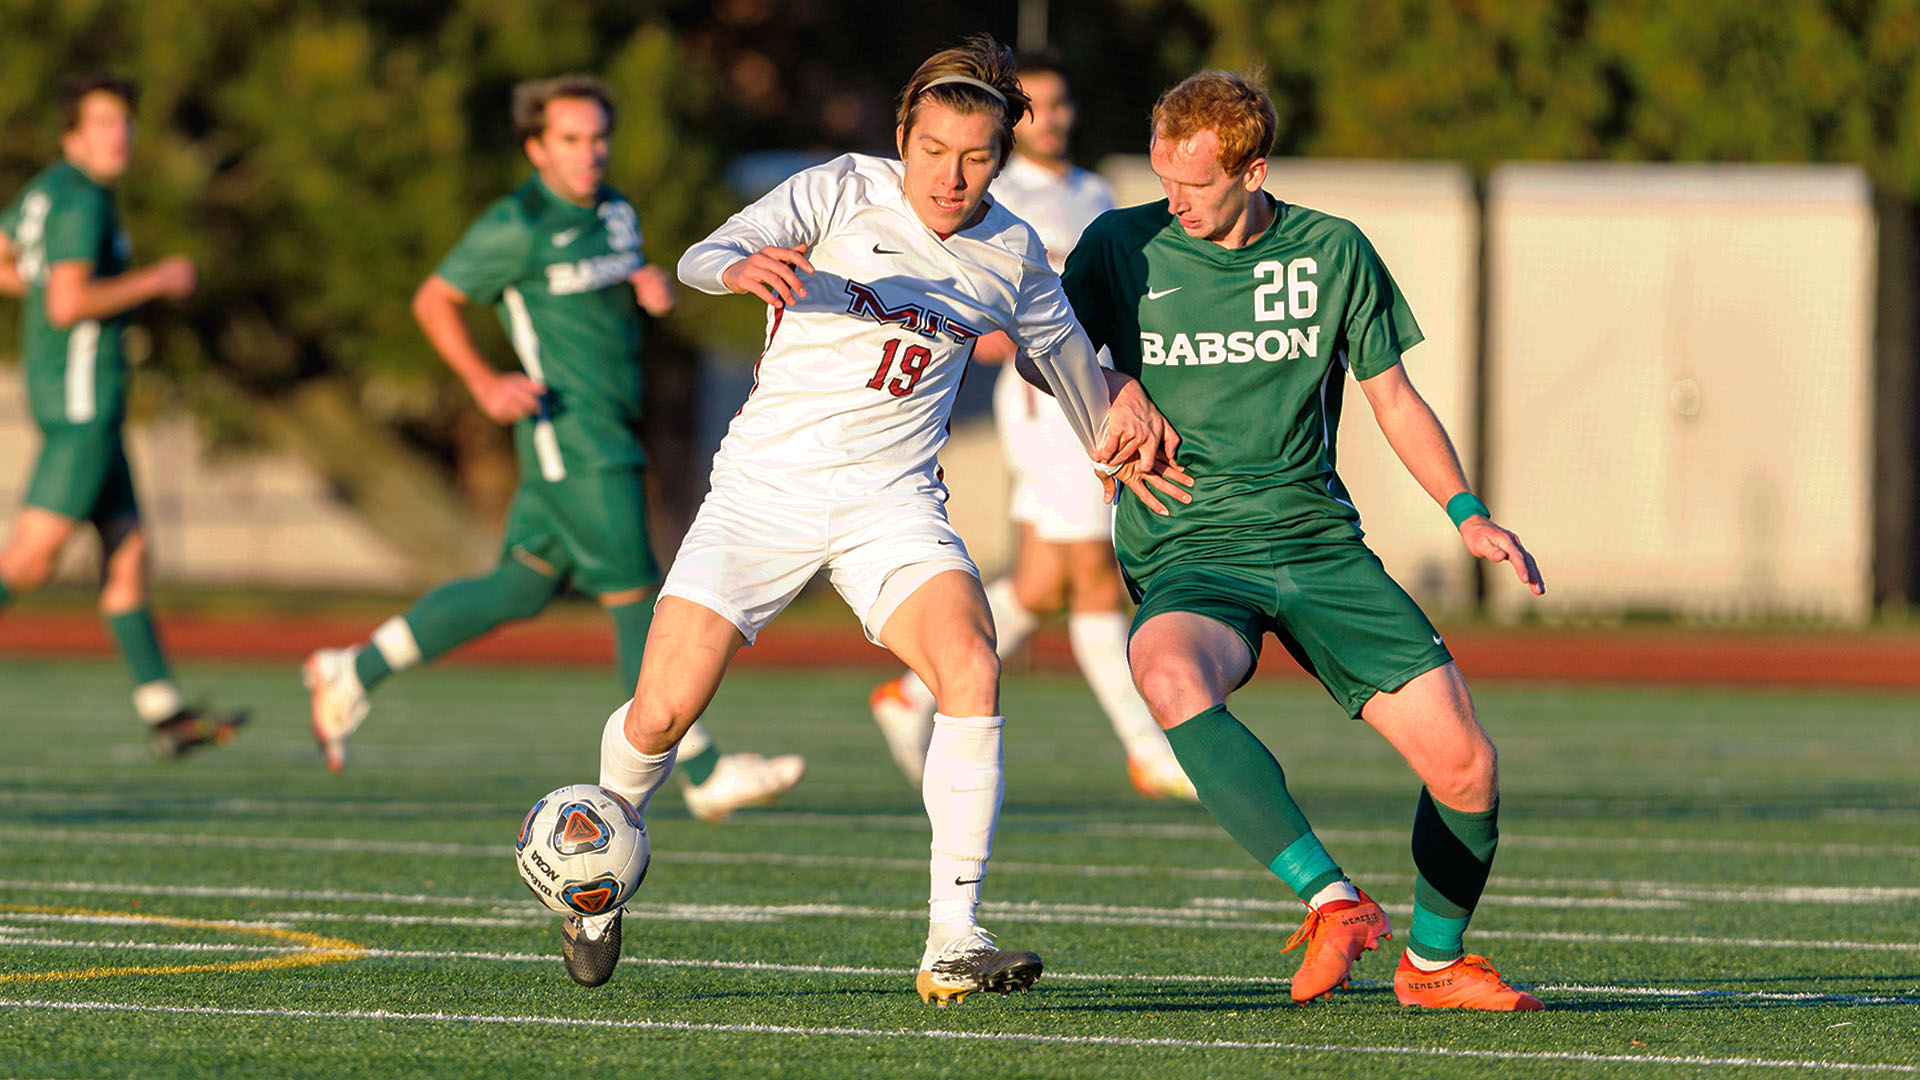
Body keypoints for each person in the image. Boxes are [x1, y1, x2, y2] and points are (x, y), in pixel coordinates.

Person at [566, 35, 1189, 1002]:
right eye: (934, 150)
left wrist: (1118, 421)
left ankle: (953, 936)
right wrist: (740, 270)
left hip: (890, 504)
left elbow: (1063, 365)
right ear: (904, 136)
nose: (951, 174)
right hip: (762, 492)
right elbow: (703, 253)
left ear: (1002, 156)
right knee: (661, 713)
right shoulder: (840, 189)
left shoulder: (1012, 250)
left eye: (977, 157)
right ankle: (595, 880)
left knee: (972, 665)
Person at [1061, 70, 1547, 1010]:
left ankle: (1435, 966)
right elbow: (1050, 346)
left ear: (1254, 170)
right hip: (1189, 542)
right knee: (1164, 671)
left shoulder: (1332, 249)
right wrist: (1108, 392)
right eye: (1166, 182)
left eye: (1196, 187)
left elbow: (1393, 398)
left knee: (1468, 767)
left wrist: (1467, 512)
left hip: (1317, 542)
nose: (1177, 205)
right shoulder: (1122, 244)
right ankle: (1333, 901)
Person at [302, 75, 804, 824]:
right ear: (537, 147)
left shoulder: (616, 210)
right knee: (638, 594)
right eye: (570, 139)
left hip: (606, 424)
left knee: (520, 587)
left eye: (598, 136)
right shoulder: (517, 222)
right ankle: (702, 770)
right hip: (571, 433)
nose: (589, 153)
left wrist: (643, 283)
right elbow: (433, 299)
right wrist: (482, 382)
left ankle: (353, 669)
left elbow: (599, 282)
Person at [869, 50, 1195, 802]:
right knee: (1094, 574)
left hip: (1089, 384)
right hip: (1042, 406)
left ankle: (909, 697)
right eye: (1035, 106)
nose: (1051, 118)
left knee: (1048, 580)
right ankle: (1147, 746)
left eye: (1060, 103)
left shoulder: (1094, 190)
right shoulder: (990, 190)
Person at [0, 72, 246, 756]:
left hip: (82, 406)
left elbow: (6, 259)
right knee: (26, 563)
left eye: (125, 122)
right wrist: (158, 280)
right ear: (72, 134)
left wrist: (52, 281)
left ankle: (167, 714)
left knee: (128, 556)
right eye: (103, 122)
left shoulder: (48, 190)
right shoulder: (80, 203)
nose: (120, 135)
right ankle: (167, 715)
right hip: (82, 408)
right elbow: (66, 305)